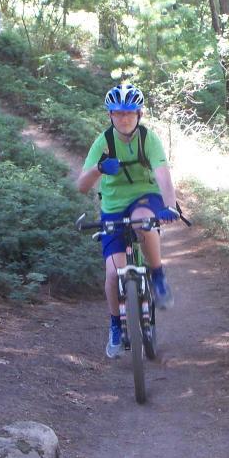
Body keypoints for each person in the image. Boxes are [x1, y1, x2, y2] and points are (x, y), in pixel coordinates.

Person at [77, 83, 179, 358]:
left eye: (130, 114)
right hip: (112, 206)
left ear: (139, 115)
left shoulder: (148, 139)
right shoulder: (103, 142)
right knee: (113, 273)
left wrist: (169, 205)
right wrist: (99, 168)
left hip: (145, 198)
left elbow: (163, 175)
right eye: (118, 113)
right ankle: (114, 324)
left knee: (142, 221)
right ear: (110, 115)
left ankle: (157, 276)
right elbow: (82, 186)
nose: (124, 118)